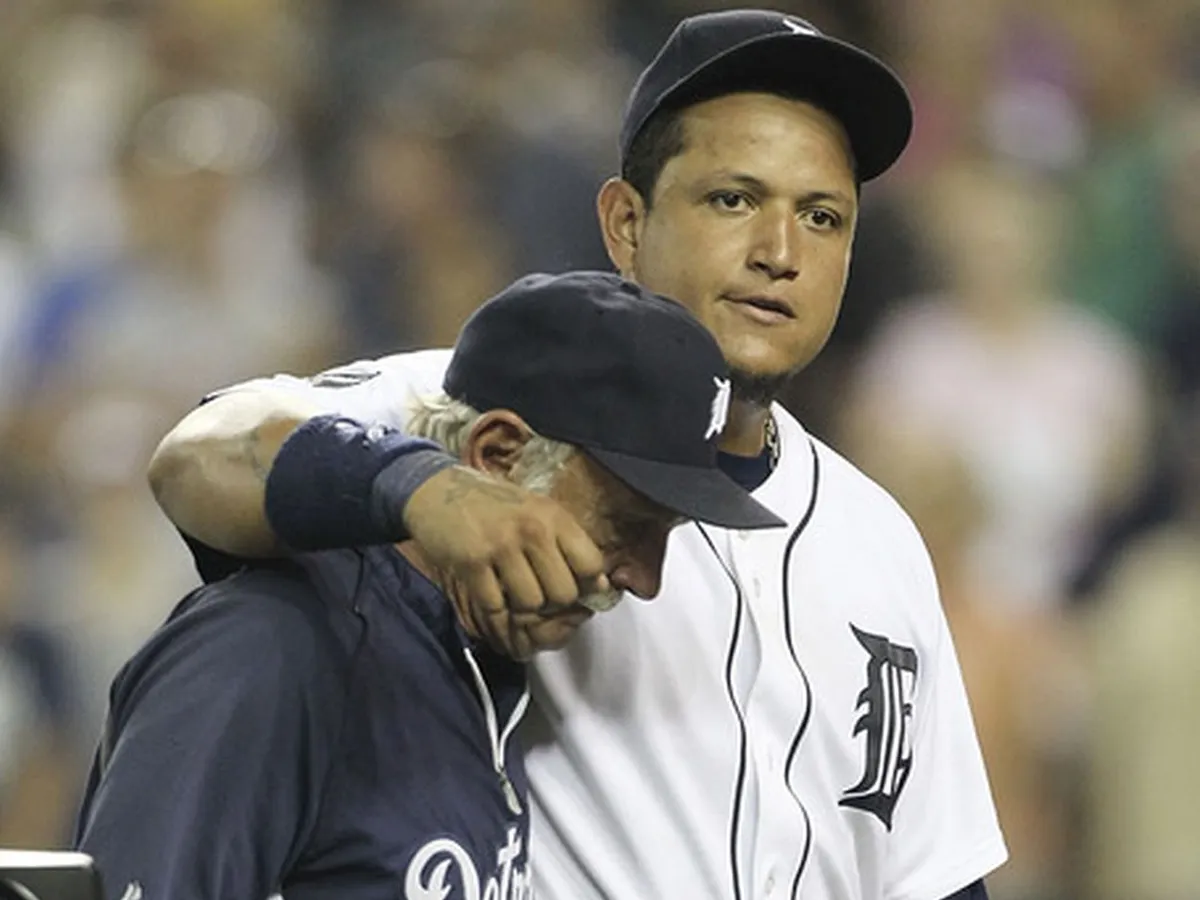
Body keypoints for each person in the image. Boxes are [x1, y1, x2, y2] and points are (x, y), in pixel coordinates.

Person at [149, 10, 1007, 899]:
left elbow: (930, 872)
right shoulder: (492, 411)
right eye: (733, 199)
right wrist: (427, 493)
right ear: (626, 224)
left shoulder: (880, 541)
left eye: (822, 217)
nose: (781, 253)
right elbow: (197, 454)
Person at [75, 271, 781, 900]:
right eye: (625, 523)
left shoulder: (479, 671)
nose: (645, 578)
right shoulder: (272, 650)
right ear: (498, 456)